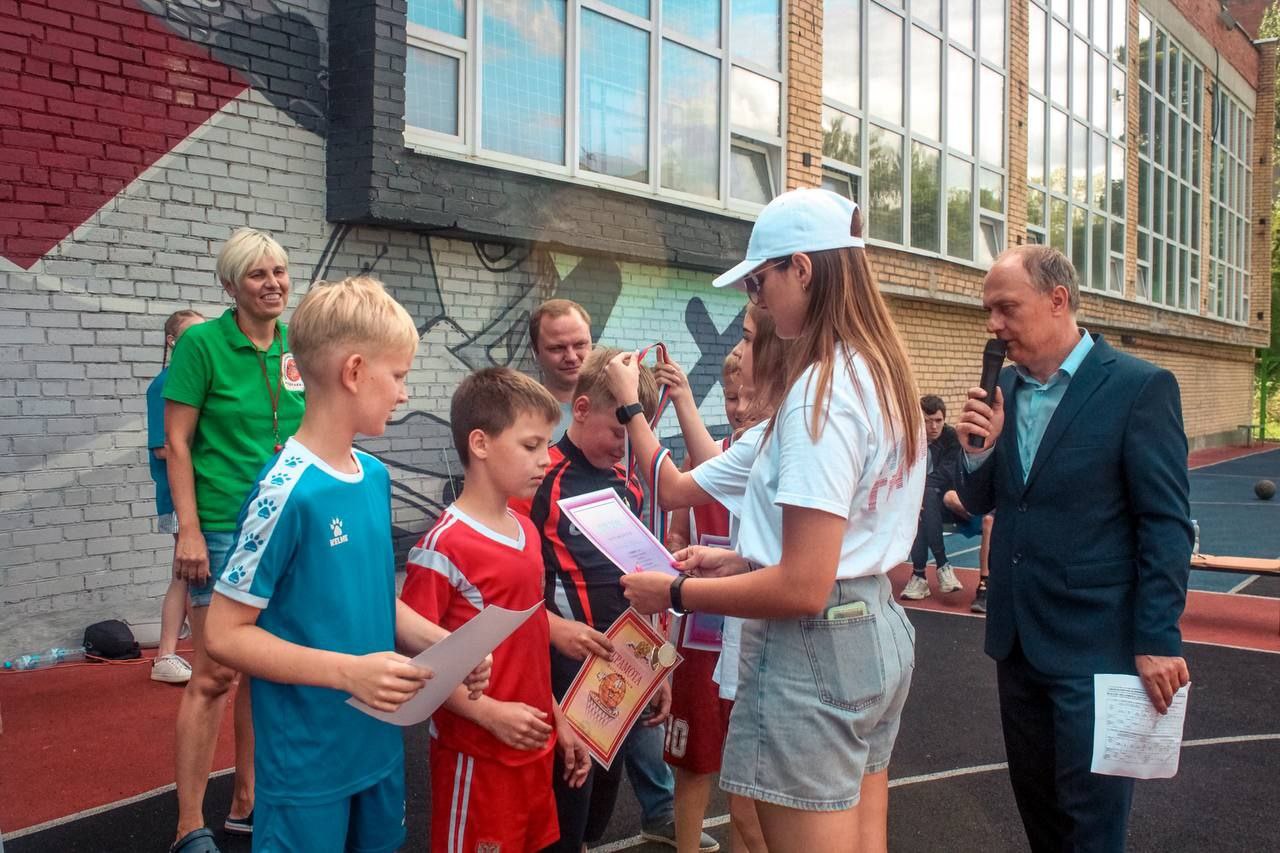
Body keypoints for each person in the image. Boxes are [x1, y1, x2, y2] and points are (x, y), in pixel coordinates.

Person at [614, 188, 924, 851]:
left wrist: (672, 590)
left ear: (803, 270)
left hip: (817, 642)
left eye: (761, 283)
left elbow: (803, 586)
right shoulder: (882, 370)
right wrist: (744, 559)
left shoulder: (822, 389)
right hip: (873, 623)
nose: (756, 302)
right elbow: (850, 542)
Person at [203, 276, 491, 853]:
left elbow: (373, 599)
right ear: (354, 371)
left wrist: (445, 647)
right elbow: (222, 634)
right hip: (307, 765)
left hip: (377, 749)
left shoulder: (375, 475)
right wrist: (348, 672)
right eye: (400, 376)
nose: (405, 394)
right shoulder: (284, 493)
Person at [954, 245, 1192, 852]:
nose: (994, 326)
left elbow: (1164, 524)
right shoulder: (1004, 387)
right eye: (989, 311)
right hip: (1017, 645)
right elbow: (982, 500)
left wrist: (1157, 638)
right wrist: (980, 448)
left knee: (1091, 830)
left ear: (1057, 300)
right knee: (1041, 820)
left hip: (1098, 649)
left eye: (1006, 308)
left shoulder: (1140, 388)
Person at [513, 348, 718, 853]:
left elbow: (643, 577)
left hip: (621, 668)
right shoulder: (540, 479)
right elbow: (509, 584)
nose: (625, 445)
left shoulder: (628, 482)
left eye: (634, 432)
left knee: (597, 806)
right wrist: (548, 633)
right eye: (618, 430)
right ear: (581, 410)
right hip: (563, 672)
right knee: (561, 808)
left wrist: (658, 669)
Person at [400, 367, 591, 852]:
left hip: (533, 749)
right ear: (480, 443)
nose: (546, 459)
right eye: (530, 446)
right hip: (477, 758)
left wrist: (557, 718)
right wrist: (488, 714)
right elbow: (418, 665)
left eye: (546, 445)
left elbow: (526, 646)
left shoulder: (526, 531)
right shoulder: (443, 545)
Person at [165, 228, 305, 847]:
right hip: (223, 526)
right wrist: (188, 531)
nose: (273, 283)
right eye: (257, 274)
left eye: (278, 271)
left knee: (265, 671)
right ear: (231, 285)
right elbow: (177, 443)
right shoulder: (201, 344)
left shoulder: (297, 348)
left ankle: (247, 797)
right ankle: (188, 824)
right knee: (215, 676)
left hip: (285, 525)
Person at [148, 309, 205, 684]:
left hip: (200, 497)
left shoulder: (194, 381)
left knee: (187, 576)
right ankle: (169, 656)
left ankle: (171, 655)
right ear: (172, 341)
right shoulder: (165, 385)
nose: (202, 343)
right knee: (187, 575)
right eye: (191, 335)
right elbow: (163, 448)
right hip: (178, 498)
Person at [902, 395, 967, 600]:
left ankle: (920, 575)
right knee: (919, 508)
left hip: (947, 500)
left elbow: (945, 474)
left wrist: (917, 493)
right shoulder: (908, 438)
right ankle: (941, 567)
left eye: (938, 420)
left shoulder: (951, 438)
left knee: (925, 498)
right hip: (921, 503)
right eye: (927, 421)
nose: (933, 426)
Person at [528, 299, 592, 442]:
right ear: (535, 352)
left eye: (580, 344)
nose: (571, 357)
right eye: (557, 348)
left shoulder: (620, 407)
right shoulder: (519, 418)